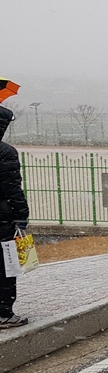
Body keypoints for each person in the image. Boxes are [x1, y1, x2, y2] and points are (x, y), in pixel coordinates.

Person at [0, 106, 29, 328]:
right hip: (2, 220)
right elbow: (12, 190)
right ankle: (4, 313)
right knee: (6, 266)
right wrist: (21, 217)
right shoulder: (6, 152)